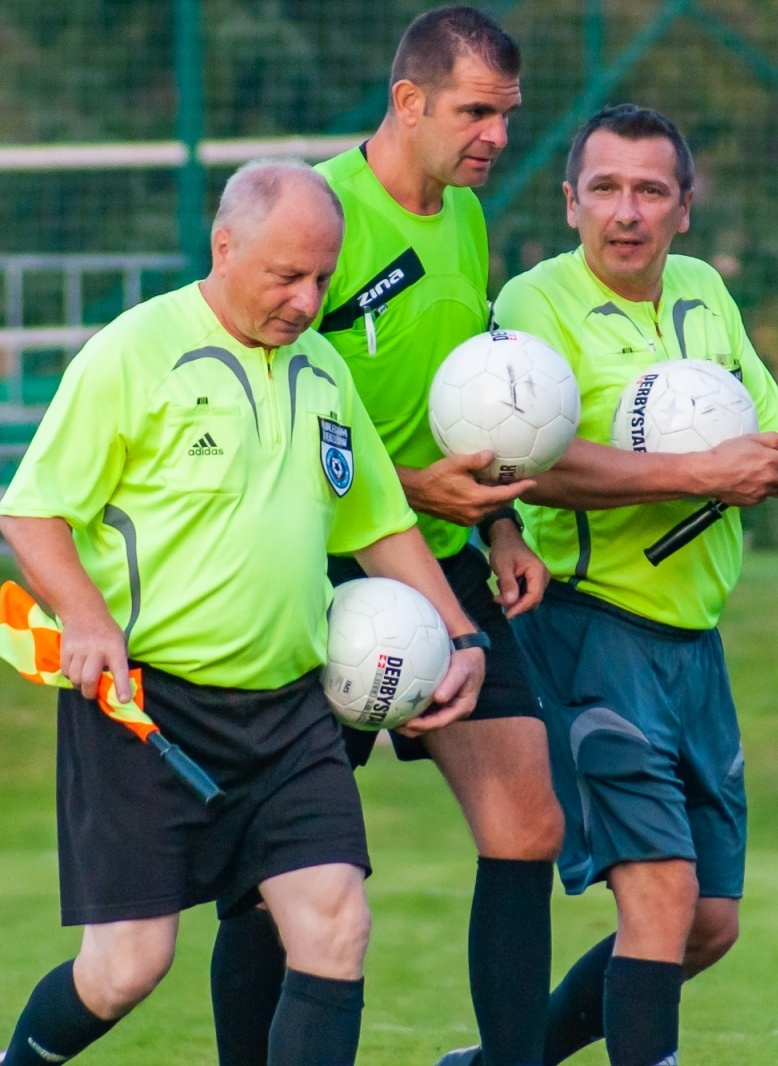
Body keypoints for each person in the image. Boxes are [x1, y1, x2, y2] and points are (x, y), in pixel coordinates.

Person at [0, 159, 489, 1066]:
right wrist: (89, 621)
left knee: (334, 926)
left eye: (323, 278)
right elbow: (32, 509)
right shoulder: (135, 351)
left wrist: (462, 634)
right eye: (285, 276)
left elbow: (381, 523)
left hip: (292, 711)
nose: (306, 299)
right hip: (145, 710)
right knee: (127, 967)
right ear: (225, 247)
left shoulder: (324, 369)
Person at [207, 11, 563, 1066]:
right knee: (286, 882)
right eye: (475, 112)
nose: (496, 136)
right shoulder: (316, 213)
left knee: (527, 824)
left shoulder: (460, 217)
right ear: (407, 101)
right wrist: (413, 490)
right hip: (315, 569)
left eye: (506, 114)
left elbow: (463, 408)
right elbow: (265, 426)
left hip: (437, 559)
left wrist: (494, 520)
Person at [490, 104, 778, 1066]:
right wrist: (703, 474)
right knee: (662, 896)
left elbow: (770, 424)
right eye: (604, 189)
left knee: (710, 921)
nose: (625, 212)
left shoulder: (706, 292)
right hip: (591, 629)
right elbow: (522, 466)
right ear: (569, 203)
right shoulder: (532, 306)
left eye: (648, 191)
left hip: (695, 638)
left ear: (686, 207)